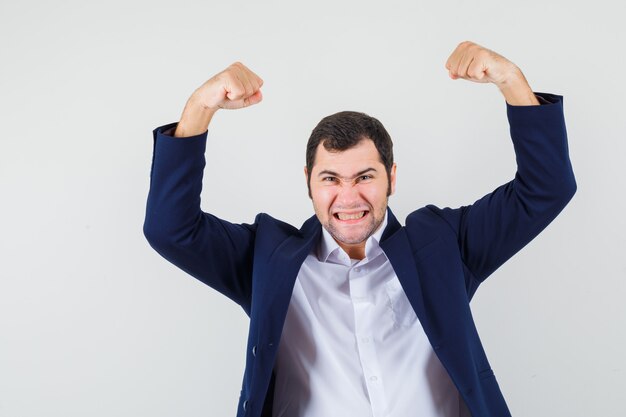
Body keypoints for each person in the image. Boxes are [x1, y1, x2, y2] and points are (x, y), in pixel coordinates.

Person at [143, 41, 576, 417]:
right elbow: (170, 228)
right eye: (331, 179)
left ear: (391, 176)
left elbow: (545, 189)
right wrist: (201, 107)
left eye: (365, 177)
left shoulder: (444, 244)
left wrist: (510, 80)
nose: (348, 198)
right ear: (309, 181)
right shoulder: (267, 259)